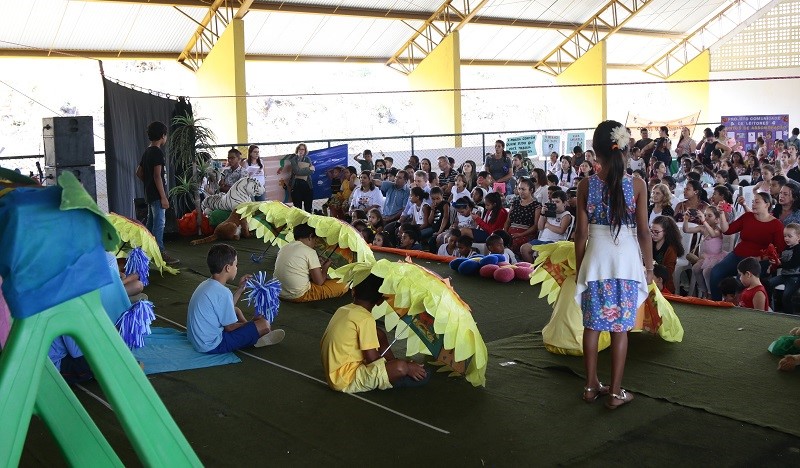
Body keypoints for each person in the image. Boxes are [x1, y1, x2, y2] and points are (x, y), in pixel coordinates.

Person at [576, 120, 653, 409]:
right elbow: (644, 232)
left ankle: (589, 386)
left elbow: (581, 234)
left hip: (596, 261)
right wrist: (649, 269)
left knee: (592, 327)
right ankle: (615, 393)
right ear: (625, 149)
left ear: (596, 153)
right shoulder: (637, 184)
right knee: (621, 329)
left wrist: (581, 268)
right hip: (627, 262)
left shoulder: (586, 185)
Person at [320, 273, 428, 393]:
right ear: (380, 301)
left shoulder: (344, 309)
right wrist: (407, 367)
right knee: (400, 367)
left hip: (335, 371)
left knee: (379, 334)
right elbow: (372, 359)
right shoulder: (365, 319)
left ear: (353, 291)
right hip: (345, 380)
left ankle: (391, 365)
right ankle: (397, 374)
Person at [187, 244, 275, 353]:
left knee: (236, 310)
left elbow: (227, 306)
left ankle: (251, 331)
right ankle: (255, 335)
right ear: (228, 268)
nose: (236, 268)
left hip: (198, 341)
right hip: (212, 345)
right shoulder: (223, 292)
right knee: (264, 324)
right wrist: (252, 322)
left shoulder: (206, 284)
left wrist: (240, 289)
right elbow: (230, 327)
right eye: (236, 265)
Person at [709, 192, 786, 300]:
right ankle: (716, 304)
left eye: (757, 202)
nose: (753, 204)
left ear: (767, 204)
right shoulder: (747, 216)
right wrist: (721, 214)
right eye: (753, 202)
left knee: (739, 281)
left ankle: (738, 308)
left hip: (757, 261)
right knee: (716, 272)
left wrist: (760, 258)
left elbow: (779, 250)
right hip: (737, 255)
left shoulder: (777, 225)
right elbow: (727, 230)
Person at [135, 121, 179, 265]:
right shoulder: (157, 152)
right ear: (163, 136)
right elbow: (157, 175)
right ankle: (159, 252)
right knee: (159, 223)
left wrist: (148, 185)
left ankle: (144, 250)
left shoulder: (147, 151)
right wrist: (163, 196)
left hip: (150, 194)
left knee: (151, 222)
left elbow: (139, 172)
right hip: (157, 195)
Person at [274, 224, 350, 302]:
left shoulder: (285, 247)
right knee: (343, 285)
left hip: (278, 291)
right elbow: (319, 282)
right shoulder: (310, 251)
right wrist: (325, 268)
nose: (315, 243)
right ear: (310, 236)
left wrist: (317, 265)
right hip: (296, 295)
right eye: (315, 239)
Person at [684, 206, 726, 298]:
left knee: (706, 272)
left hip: (716, 257)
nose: (706, 217)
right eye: (705, 215)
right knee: (695, 269)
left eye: (709, 216)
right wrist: (686, 220)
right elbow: (686, 230)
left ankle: (711, 293)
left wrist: (703, 221)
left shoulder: (718, 230)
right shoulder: (702, 228)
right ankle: (704, 291)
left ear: (716, 220)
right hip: (706, 257)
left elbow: (713, 234)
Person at [519, 190, 572, 263]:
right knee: (524, 248)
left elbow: (561, 230)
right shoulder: (549, 212)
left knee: (542, 252)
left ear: (564, 203)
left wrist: (548, 225)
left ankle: (537, 268)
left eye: (557, 202)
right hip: (542, 240)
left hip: (554, 242)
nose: (554, 204)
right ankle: (532, 267)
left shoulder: (566, 215)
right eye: (553, 202)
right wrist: (543, 214)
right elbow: (540, 227)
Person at [766, 223, 800, 313]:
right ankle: (769, 306)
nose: (786, 238)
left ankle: (789, 315)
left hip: (794, 277)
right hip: (784, 275)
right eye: (785, 236)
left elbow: (794, 263)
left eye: (789, 236)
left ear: (798, 237)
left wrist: (779, 264)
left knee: (786, 296)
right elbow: (781, 260)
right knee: (767, 284)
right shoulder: (786, 248)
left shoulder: (798, 249)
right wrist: (773, 265)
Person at [504, 178, 541, 253]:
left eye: (523, 189)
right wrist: (505, 233)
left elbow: (535, 226)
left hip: (526, 233)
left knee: (514, 243)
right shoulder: (515, 203)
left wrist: (520, 234)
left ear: (531, 190)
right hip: (511, 232)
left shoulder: (536, 206)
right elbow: (508, 221)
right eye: (519, 189)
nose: (520, 191)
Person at [650, 216, 684, 293]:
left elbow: (668, 272)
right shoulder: (650, 243)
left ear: (665, 231)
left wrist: (653, 263)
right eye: (651, 231)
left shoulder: (671, 248)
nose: (653, 234)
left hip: (664, 285)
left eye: (656, 232)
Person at [284, 143, 315, 212]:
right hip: (296, 186)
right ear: (297, 150)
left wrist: (305, 170)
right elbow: (297, 171)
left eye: (303, 149)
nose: (301, 151)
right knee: (298, 209)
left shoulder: (307, 159)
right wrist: (308, 169)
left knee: (308, 208)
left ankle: (307, 222)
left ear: (305, 151)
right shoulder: (293, 160)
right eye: (300, 149)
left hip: (307, 185)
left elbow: (312, 171)